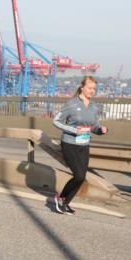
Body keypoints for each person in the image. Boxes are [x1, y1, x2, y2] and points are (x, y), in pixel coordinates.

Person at [51, 76, 107, 215]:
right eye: (89, 88)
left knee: (81, 178)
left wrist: (100, 130)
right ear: (82, 87)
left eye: (94, 88)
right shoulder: (72, 104)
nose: (92, 91)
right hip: (69, 143)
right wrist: (75, 130)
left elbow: (94, 127)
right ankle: (61, 198)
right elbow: (56, 121)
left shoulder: (94, 107)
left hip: (84, 144)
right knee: (79, 176)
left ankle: (65, 202)